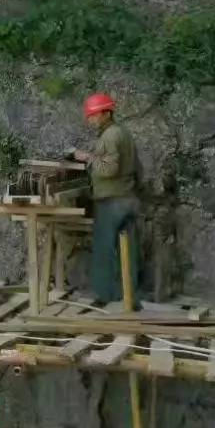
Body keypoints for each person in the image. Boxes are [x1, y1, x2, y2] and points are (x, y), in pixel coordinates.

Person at [73, 92, 142, 307]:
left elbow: (109, 169)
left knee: (105, 249)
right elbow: (138, 168)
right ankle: (130, 297)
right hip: (128, 198)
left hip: (112, 201)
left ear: (105, 113)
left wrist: (87, 158)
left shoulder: (110, 136)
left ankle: (105, 296)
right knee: (128, 251)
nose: (90, 119)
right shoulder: (124, 133)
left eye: (93, 115)